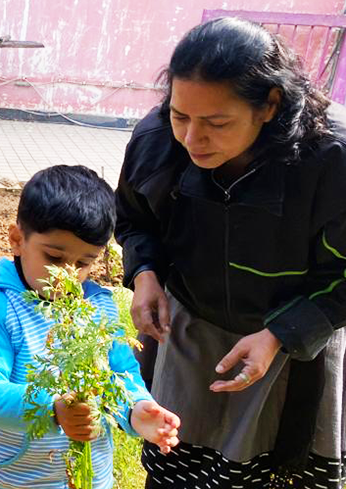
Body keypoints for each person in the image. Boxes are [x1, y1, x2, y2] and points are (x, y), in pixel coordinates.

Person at [116, 17, 346, 488]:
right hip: (192, 334)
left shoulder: (330, 159)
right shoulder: (159, 139)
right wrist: (145, 274)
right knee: (181, 469)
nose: (192, 139)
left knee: (278, 471)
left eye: (217, 123)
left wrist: (280, 333)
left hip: (296, 345)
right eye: (181, 115)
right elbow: (135, 220)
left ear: (269, 106)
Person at [0, 165, 180, 489]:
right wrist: (52, 408)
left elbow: (120, 375)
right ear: (17, 240)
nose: (69, 275)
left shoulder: (99, 307)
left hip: (90, 479)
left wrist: (136, 410)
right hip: (11, 480)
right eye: (54, 258)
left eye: (83, 263)